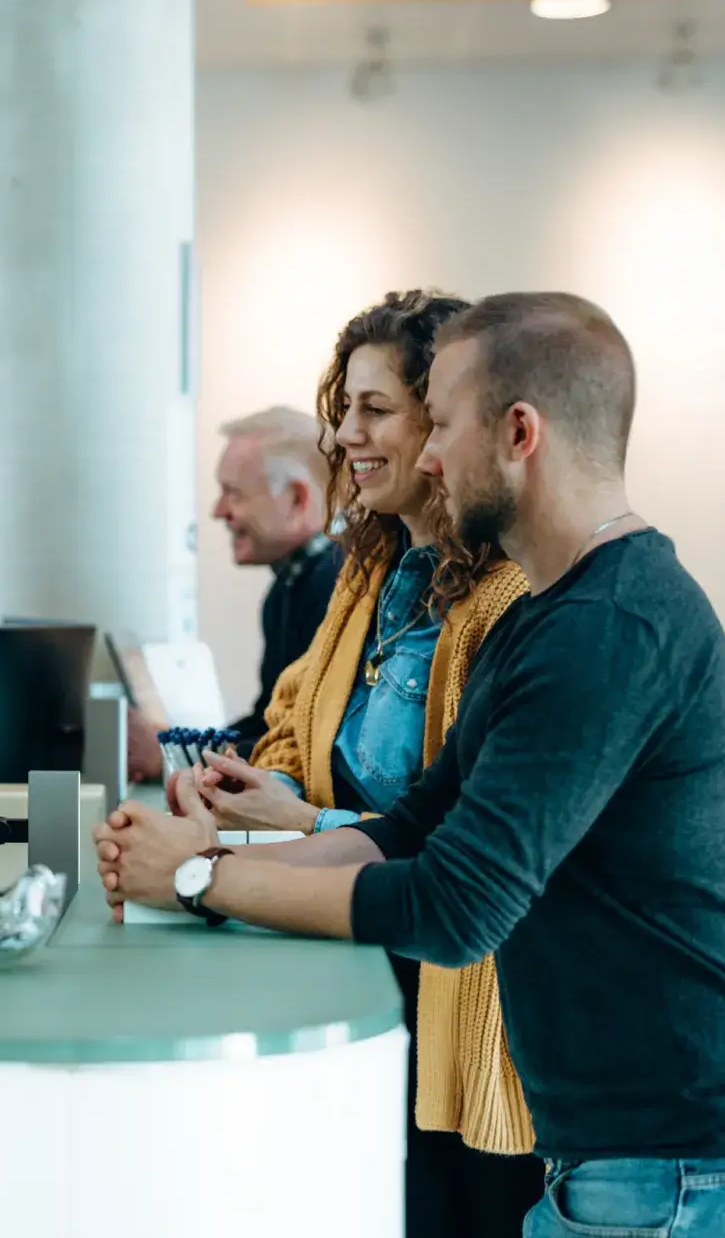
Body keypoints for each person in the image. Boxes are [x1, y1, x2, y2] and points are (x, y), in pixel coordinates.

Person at [98, 293, 725, 1237]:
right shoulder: (550, 618)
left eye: (438, 424)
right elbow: (406, 834)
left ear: (519, 433)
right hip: (642, 1168)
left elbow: (453, 904)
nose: (428, 456)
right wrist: (197, 866)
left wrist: (202, 878)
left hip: (686, 1177)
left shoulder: (606, 630)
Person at [195, 292, 540, 1237]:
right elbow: (291, 719)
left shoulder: (508, 603)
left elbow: (458, 850)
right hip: (364, 960)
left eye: (374, 409)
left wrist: (287, 827)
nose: (345, 434)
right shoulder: (370, 568)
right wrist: (257, 794)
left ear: (447, 419)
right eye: (342, 408)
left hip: (468, 1010)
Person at [125, 406, 341, 779]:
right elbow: (267, 723)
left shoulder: (333, 589)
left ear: (296, 499)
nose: (217, 510)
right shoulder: (289, 588)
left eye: (233, 493)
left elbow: (297, 746)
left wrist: (171, 757)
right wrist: (175, 743)